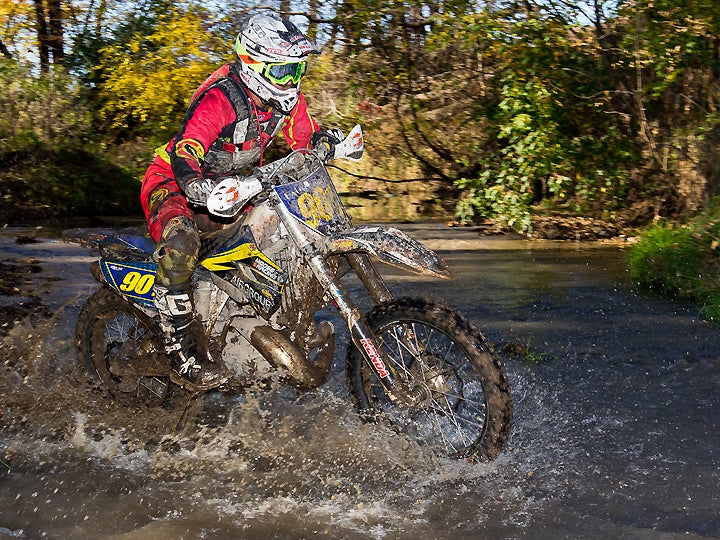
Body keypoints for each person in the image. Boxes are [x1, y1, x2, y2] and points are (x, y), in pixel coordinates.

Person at [140, 14, 343, 385]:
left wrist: (325, 142)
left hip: (235, 188)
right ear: (252, 62)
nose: (292, 81)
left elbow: (304, 138)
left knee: (279, 229)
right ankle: (180, 352)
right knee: (182, 243)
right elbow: (187, 148)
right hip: (175, 182)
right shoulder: (220, 99)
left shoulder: (287, 100)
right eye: (283, 71)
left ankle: (251, 321)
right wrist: (195, 186)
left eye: (298, 70)